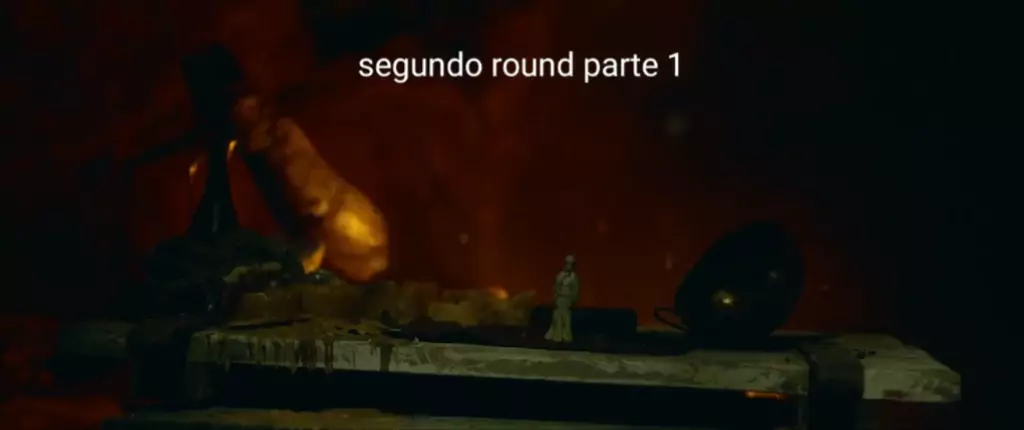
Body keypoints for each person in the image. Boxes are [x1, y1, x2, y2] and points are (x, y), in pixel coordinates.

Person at [545, 255, 579, 342]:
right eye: (567, 264)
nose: (568, 266)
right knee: (557, 316)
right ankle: (556, 335)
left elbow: (575, 289)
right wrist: (555, 297)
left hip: (567, 299)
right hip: (560, 298)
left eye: (570, 264)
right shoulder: (560, 275)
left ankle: (565, 335)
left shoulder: (573, 276)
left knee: (566, 317)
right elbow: (556, 286)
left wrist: (573, 299)